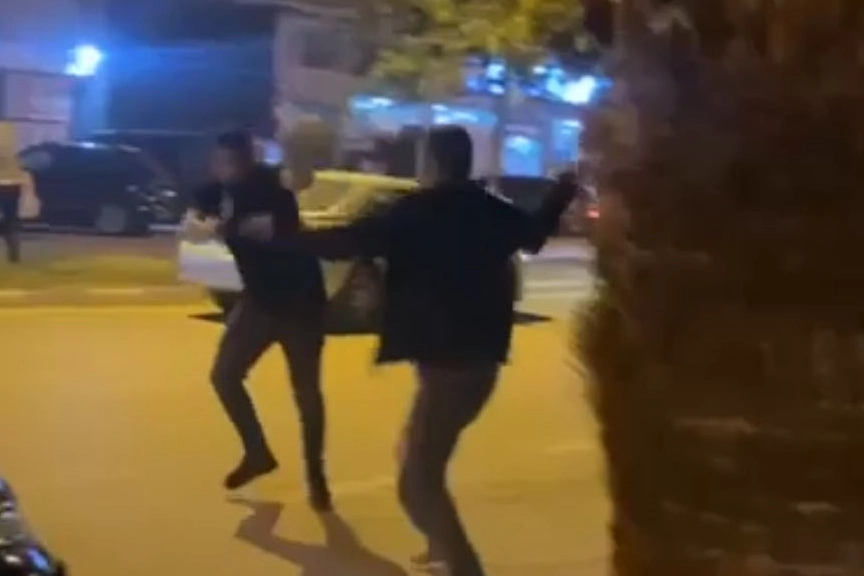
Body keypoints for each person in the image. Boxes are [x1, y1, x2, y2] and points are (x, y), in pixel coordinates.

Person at [239, 125, 577, 576]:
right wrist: (564, 189)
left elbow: (346, 240)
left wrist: (281, 233)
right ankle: (443, 550)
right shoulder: (490, 209)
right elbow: (535, 234)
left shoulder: (417, 212)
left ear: (432, 162)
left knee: (418, 481)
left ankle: (463, 567)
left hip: (451, 367)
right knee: (413, 460)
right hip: (475, 363)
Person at [182, 130, 331, 510]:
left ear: (248, 158)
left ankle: (316, 476)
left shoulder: (271, 182)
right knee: (224, 375)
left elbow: (295, 185)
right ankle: (257, 452)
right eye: (219, 160)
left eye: (230, 160)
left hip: (300, 302)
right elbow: (192, 221)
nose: (222, 167)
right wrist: (197, 222)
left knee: (306, 392)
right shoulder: (218, 191)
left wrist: (215, 228)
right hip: (260, 301)